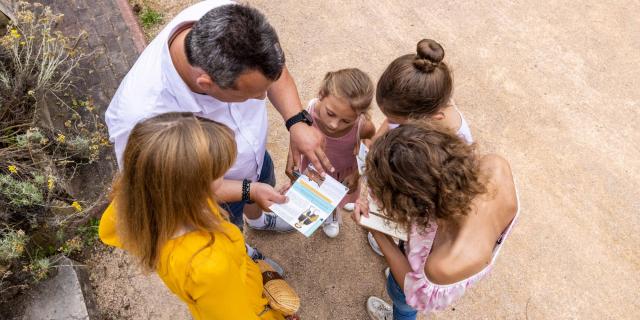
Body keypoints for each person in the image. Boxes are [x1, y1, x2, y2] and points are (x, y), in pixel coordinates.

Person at [105, 1, 334, 270]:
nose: (263, 97)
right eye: (251, 94)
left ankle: (258, 220)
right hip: (215, 196)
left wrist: (296, 122)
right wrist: (248, 190)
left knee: (264, 183)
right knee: (230, 228)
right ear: (207, 84)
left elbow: (275, 73)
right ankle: (241, 250)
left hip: (256, 160)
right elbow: (173, 191)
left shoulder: (227, 16)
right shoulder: (141, 119)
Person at [99, 112, 287, 319]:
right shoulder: (210, 264)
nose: (225, 177)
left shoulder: (140, 202)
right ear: (191, 190)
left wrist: (251, 191)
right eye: (219, 174)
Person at [352, 123, 519, 320]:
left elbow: (412, 291)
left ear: (415, 204)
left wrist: (377, 231)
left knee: (403, 305)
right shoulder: (494, 166)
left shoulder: (443, 264)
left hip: (415, 280)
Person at [365, 39, 474, 255]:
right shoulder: (421, 106)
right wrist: (377, 141)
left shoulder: (449, 148)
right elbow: (391, 123)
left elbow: (433, 197)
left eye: (397, 121)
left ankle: (400, 243)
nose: (389, 122)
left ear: (433, 118)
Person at [285, 68, 375, 237]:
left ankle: (334, 210)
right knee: (320, 196)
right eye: (331, 114)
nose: (334, 124)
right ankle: (327, 212)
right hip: (315, 168)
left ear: (360, 115)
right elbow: (297, 136)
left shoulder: (364, 126)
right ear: (321, 94)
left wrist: (356, 175)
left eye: (346, 121)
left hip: (344, 173)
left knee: (342, 195)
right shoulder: (309, 113)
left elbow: (367, 149)